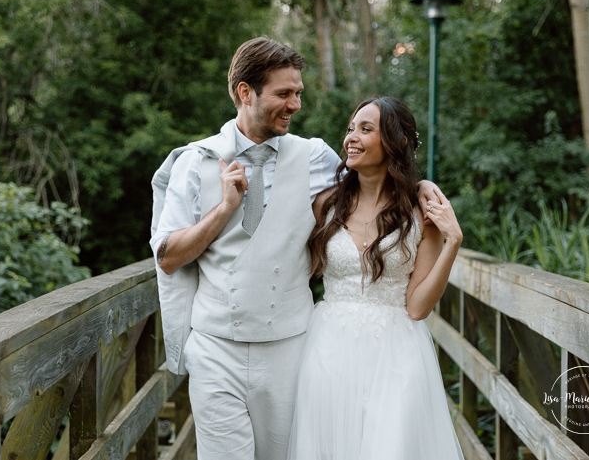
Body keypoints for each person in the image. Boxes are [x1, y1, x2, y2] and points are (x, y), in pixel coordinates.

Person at [150, 38, 442, 460]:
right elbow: (168, 257)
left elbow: (371, 187)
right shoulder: (194, 163)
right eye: (284, 94)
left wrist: (419, 190)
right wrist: (224, 210)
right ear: (244, 93)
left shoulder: (315, 157)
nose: (296, 104)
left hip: (291, 349)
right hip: (215, 347)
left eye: (298, 93)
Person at [287, 97, 465, 460]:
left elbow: (417, 308)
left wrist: (453, 243)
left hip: (396, 354)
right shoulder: (325, 204)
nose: (351, 137)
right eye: (351, 128)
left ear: (395, 143)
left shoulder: (420, 213)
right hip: (329, 350)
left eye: (366, 129)